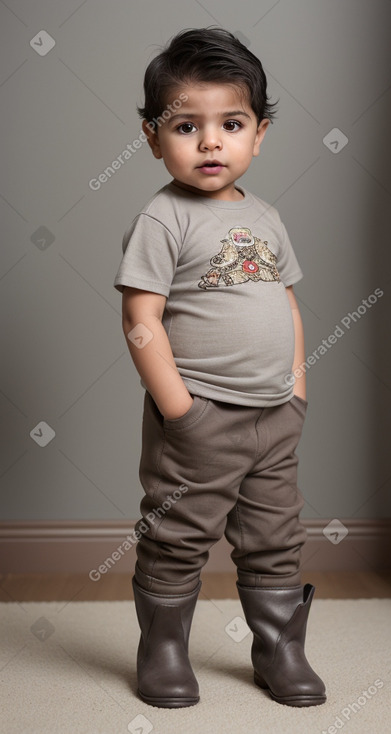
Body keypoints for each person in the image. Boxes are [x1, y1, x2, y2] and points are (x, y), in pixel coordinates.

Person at [113, 27, 326, 709]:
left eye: (230, 124)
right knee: (178, 534)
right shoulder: (163, 218)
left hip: (274, 415)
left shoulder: (266, 216)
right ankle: (164, 649)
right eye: (186, 126)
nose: (210, 142)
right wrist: (180, 411)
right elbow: (141, 319)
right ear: (152, 137)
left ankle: (278, 646)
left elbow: (285, 304)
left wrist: (296, 386)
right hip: (201, 414)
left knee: (274, 535)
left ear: (257, 134)